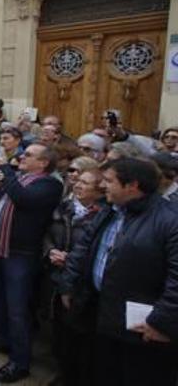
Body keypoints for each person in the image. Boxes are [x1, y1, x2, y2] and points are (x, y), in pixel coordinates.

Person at [61, 158, 178, 385]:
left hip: (142, 330)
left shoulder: (169, 220)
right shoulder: (110, 210)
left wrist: (160, 322)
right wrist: (69, 284)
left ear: (132, 186)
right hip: (100, 314)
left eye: (109, 180)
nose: (102, 186)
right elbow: (83, 248)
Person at [0, 144, 62, 383]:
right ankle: (4, 339)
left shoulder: (49, 184)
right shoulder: (21, 178)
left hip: (19, 254)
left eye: (29, 155)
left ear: (44, 163)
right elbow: (2, 201)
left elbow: (23, 200)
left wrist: (5, 167)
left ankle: (20, 361)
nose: (22, 157)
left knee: (17, 309)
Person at [43, 168, 105, 386]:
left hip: (80, 283)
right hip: (56, 274)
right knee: (59, 329)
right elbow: (48, 233)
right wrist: (50, 251)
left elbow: (99, 250)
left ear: (99, 192)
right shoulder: (65, 207)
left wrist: (71, 259)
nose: (77, 185)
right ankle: (62, 371)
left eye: (85, 183)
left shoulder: (103, 216)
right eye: (78, 181)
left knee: (78, 336)